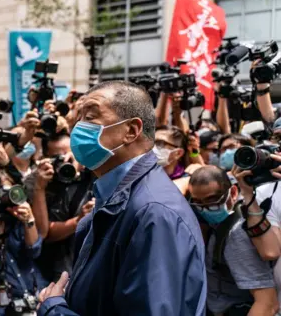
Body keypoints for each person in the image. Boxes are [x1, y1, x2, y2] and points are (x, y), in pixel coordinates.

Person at [37, 80, 206, 316]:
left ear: (131, 131)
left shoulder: (153, 212)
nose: (78, 128)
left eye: (91, 117)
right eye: (79, 118)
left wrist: (54, 309)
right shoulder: (115, 196)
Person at [189, 166, 278, 315]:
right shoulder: (220, 221)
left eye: (213, 200)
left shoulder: (235, 235)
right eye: (199, 203)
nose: (206, 209)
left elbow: (268, 303)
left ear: (234, 193)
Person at [0, 168, 46, 315]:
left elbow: (34, 251)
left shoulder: (19, 220)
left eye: (8, 192)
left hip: (34, 298)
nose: (4, 198)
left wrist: (29, 220)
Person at [26, 131, 95, 283]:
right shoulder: (44, 182)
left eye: (69, 153)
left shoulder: (94, 174)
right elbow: (44, 233)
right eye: (58, 157)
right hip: (59, 270)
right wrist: (39, 187)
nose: (65, 160)